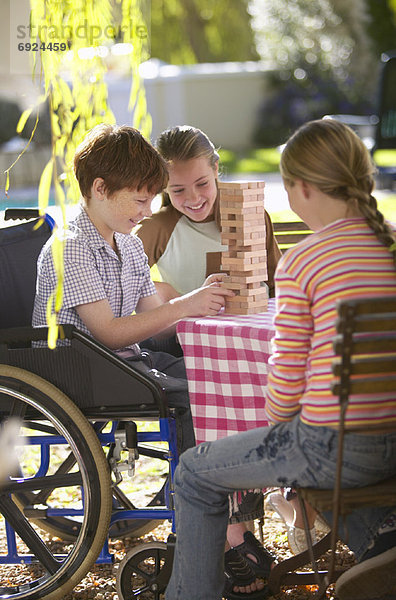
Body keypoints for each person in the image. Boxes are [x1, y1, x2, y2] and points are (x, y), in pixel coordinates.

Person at [164, 119, 396, 600]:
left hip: (334, 449)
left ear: (303, 188)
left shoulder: (304, 262)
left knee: (192, 472)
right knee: (341, 471)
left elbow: (284, 387)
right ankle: (384, 547)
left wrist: (283, 436)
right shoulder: (390, 244)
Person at [32, 124, 234, 458]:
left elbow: (157, 319)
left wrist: (205, 302)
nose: (149, 211)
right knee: (196, 396)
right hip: (81, 373)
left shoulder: (127, 243)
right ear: (100, 188)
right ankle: (195, 496)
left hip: (125, 363)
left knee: (218, 378)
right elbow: (109, 333)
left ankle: (227, 491)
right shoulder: (71, 248)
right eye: (141, 200)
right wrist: (184, 305)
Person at [135, 125, 282, 302]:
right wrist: (167, 294)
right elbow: (126, 284)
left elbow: (277, 284)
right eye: (178, 190)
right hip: (188, 329)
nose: (194, 198)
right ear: (163, 186)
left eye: (202, 183)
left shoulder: (249, 214)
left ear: (215, 168)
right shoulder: (158, 228)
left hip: (256, 325)